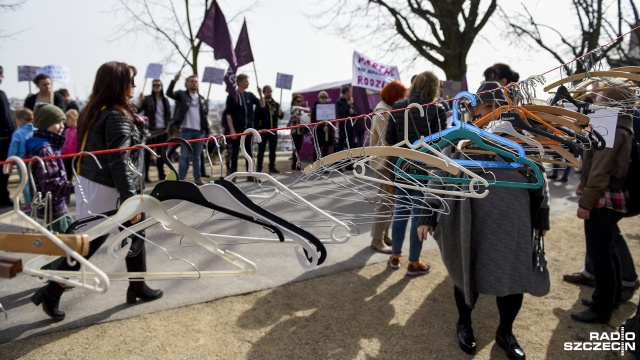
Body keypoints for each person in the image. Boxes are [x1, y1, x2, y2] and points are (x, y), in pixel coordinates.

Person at [417, 81, 550, 359]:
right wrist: (428, 214)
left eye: (499, 105)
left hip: (513, 219)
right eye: (488, 106)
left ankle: (505, 331)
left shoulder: (520, 137)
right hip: (470, 219)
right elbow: (438, 174)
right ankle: (464, 323)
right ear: (475, 109)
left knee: (513, 278)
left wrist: (542, 216)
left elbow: (540, 177)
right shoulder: (459, 136)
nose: (495, 111)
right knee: (467, 275)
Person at [30, 61, 162, 322]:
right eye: (130, 81)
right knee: (92, 241)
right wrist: (130, 198)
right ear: (117, 84)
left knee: (126, 234)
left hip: (95, 182)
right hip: (109, 185)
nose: (134, 86)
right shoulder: (115, 114)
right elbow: (119, 159)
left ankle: (136, 286)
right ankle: (52, 290)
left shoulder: (95, 109)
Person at [571, 83, 634, 324]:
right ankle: (612, 297)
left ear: (611, 104)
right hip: (611, 196)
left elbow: (600, 170)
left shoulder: (612, 128)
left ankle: (601, 307)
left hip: (603, 198)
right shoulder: (621, 124)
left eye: (599, 99)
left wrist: (586, 202)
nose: (594, 102)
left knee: (601, 256)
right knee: (607, 252)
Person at [385, 71, 447, 277]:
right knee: (419, 215)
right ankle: (413, 262)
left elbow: (389, 138)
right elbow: (442, 143)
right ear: (435, 87)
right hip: (424, 169)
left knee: (401, 211)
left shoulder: (397, 107)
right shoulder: (436, 109)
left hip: (401, 166)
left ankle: (395, 257)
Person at [369, 80, 407, 254]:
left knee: (390, 201)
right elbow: (387, 139)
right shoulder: (383, 112)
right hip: (385, 161)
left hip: (388, 160)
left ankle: (384, 235)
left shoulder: (385, 109)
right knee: (386, 202)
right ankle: (376, 240)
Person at [25, 104, 75, 233]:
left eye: (63, 122)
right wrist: (76, 187)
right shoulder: (45, 149)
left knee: (74, 237)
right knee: (68, 246)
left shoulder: (46, 145)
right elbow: (51, 185)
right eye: (57, 122)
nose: (62, 126)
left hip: (56, 206)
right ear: (45, 123)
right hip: (53, 208)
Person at [167, 74, 209, 184]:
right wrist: (173, 81)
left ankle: (197, 178)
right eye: (191, 81)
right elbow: (169, 93)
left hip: (199, 131)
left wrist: (206, 130)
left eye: (195, 81)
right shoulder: (182, 95)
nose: (194, 83)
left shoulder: (201, 99)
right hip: (186, 130)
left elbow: (205, 116)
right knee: (184, 156)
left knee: (197, 156)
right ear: (187, 83)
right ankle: (181, 180)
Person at [225, 73, 265, 175]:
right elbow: (228, 114)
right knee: (235, 152)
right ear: (239, 82)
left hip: (249, 128)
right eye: (245, 81)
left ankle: (250, 174)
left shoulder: (250, 95)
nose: (248, 83)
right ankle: (233, 174)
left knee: (249, 151)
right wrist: (232, 129)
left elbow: (262, 105)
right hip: (237, 128)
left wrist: (261, 94)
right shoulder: (232, 96)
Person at [137, 79, 170, 182]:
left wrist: (167, 128)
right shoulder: (147, 99)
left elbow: (168, 115)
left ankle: (161, 174)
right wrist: (140, 101)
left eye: (158, 84)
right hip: (151, 131)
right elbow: (138, 111)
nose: (156, 86)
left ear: (161, 86)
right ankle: (146, 176)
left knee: (161, 155)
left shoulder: (165, 100)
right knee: (147, 155)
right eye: (154, 85)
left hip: (162, 130)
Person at [8, 108, 35, 208]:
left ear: (20, 120)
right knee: (36, 182)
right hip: (35, 160)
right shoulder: (36, 131)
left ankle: (29, 203)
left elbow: (13, 148)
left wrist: (9, 162)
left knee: (25, 183)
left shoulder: (17, 133)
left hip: (22, 162)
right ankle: (38, 201)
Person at [254, 85, 284, 173]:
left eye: (270, 92)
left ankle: (272, 167)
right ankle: (259, 167)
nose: (269, 93)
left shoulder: (276, 104)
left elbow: (281, 116)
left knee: (273, 150)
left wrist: (281, 113)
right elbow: (256, 117)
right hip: (263, 131)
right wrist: (257, 130)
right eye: (267, 92)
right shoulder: (260, 103)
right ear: (264, 93)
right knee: (261, 150)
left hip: (273, 131)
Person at [0, 65, 15, 207]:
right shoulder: (1, 95)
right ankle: (3, 197)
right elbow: (7, 118)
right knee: (3, 172)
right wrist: (13, 133)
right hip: (2, 140)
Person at [287, 94, 309, 170]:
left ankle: (296, 164)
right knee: (295, 149)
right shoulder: (293, 109)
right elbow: (296, 116)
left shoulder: (300, 110)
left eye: (300, 101)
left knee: (298, 148)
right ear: (294, 101)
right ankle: (295, 164)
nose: (299, 102)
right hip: (294, 132)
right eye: (297, 101)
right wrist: (305, 112)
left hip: (299, 132)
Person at [310, 91, 334, 160]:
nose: (324, 99)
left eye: (325, 97)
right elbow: (313, 121)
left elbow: (332, 120)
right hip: (318, 132)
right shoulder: (315, 108)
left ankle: (325, 167)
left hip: (327, 132)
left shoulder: (329, 108)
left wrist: (328, 127)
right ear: (319, 98)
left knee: (326, 151)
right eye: (322, 97)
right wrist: (322, 127)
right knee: (317, 150)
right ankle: (316, 167)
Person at [336, 85, 359, 153]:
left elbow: (356, 113)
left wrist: (352, 112)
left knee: (351, 144)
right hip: (343, 127)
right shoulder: (339, 102)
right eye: (350, 91)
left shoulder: (350, 100)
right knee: (341, 144)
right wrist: (348, 105)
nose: (352, 93)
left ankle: (350, 161)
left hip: (351, 126)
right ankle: (339, 161)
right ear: (346, 92)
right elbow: (341, 114)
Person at [61, 109, 79, 183]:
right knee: (67, 174)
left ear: (75, 119)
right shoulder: (66, 131)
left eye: (68, 119)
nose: (66, 122)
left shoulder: (78, 131)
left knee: (76, 173)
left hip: (74, 156)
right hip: (65, 156)